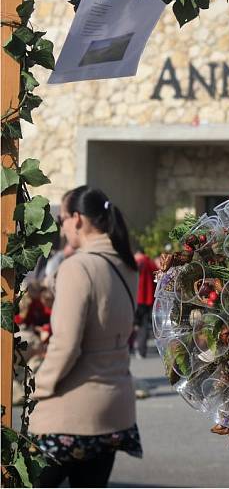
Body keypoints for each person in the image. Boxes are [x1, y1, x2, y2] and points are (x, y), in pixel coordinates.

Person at [30, 186, 142, 488]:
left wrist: (39, 388)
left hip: (73, 411)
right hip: (115, 409)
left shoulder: (78, 266)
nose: (62, 226)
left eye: (63, 218)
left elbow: (66, 344)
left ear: (78, 219)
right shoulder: (126, 266)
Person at [134, 248, 158, 359]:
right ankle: (141, 350)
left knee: (135, 324)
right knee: (144, 325)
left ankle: (131, 348)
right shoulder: (150, 263)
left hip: (137, 298)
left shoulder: (137, 263)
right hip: (149, 299)